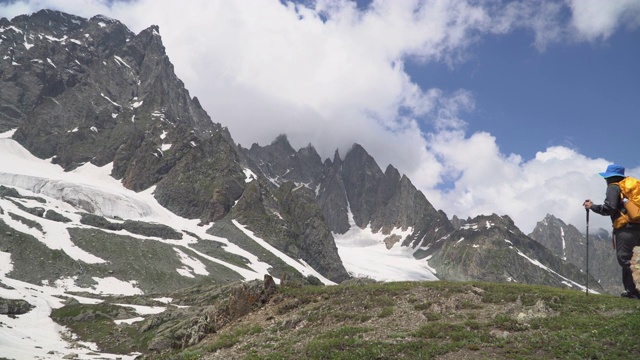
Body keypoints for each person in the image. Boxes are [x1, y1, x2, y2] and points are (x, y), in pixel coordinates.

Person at [584, 164, 640, 299]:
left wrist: (592, 206)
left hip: (625, 229)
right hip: (638, 226)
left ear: (610, 178)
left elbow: (610, 208)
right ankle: (632, 291)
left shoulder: (613, 187)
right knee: (634, 260)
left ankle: (634, 292)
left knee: (625, 259)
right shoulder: (630, 187)